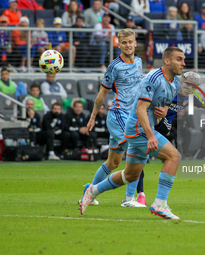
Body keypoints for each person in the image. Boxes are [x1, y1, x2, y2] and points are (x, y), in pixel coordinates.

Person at [79, 47, 185, 219]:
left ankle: (92, 190)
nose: (183, 63)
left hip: (144, 128)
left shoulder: (176, 83)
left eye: (183, 59)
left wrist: (164, 111)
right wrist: (151, 135)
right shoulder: (153, 78)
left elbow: (166, 105)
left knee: (130, 175)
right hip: (138, 129)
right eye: (179, 59)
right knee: (174, 156)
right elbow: (140, 109)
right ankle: (160, 204)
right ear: (167, 61)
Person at [123, 72, 205, 206]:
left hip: (162, 126)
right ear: (181, 80)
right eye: (188, 85)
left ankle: (130, 196)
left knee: (138, 161)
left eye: (195, 87)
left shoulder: (192, 96)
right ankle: (142, 196)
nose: (190, 89)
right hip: (145, 124)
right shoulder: (169, 88)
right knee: (135, 161)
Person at [78, 28, 144, 207]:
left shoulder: (139, 62)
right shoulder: (114, 66)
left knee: (113, 162)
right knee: (136, 149)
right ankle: (129, 199)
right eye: (124, 43)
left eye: (130, 42)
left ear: (135, 43)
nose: (128, 45)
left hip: (130, 116)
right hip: (118, 115)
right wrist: (92, 117)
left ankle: (88, 191)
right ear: (119, 44)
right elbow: (102, 94)